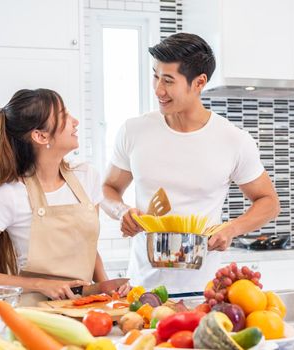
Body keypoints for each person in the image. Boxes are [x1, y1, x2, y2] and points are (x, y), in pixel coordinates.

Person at [102, 33, 280, 293]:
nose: (158, 89)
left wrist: (231, 229)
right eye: (155, 76)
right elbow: (107, 189)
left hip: (205, 289)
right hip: (142, 288)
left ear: (199, 83)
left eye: (168, 80)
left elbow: (269, 202)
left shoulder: (233, 139)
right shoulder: (134, 130)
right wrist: (121, 211)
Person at [0, 88, 129, 304]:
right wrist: (39, 284)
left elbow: (87, 247)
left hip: (85, 309)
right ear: (40, 135)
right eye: (64, 116)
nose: (75, 121)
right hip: (35, 314)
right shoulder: (9, 195)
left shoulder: (86, 177)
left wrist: (107, 291)